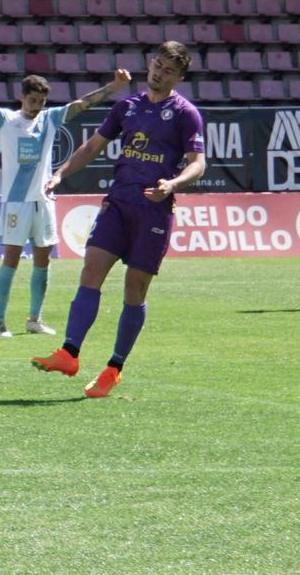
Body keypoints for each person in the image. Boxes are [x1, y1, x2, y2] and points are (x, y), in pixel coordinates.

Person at [31, 42, 205, 398]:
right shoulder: (127, 106)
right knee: (91, 270)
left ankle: (114, 368)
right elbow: (93, 146)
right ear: (150, 63)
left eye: (168, 71)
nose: (159, 73)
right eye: (157, 65)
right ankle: (70, 353)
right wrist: (60, 174)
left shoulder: (186, 114)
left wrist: (171, 184)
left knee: (134, 290)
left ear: (179, 77)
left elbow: (198, 163)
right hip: (119, 203)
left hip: (154, 209)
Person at [0, 63, 129, 338]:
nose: (37, 106)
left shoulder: (49, 119)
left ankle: (34, 319)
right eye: (32, 100)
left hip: (44, 200)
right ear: (22, 98)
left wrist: (114, 87)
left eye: (41, 101)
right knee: (11, 261)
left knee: (43, 260)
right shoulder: (6, 120)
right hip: (16, 202)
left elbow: (82, 104)